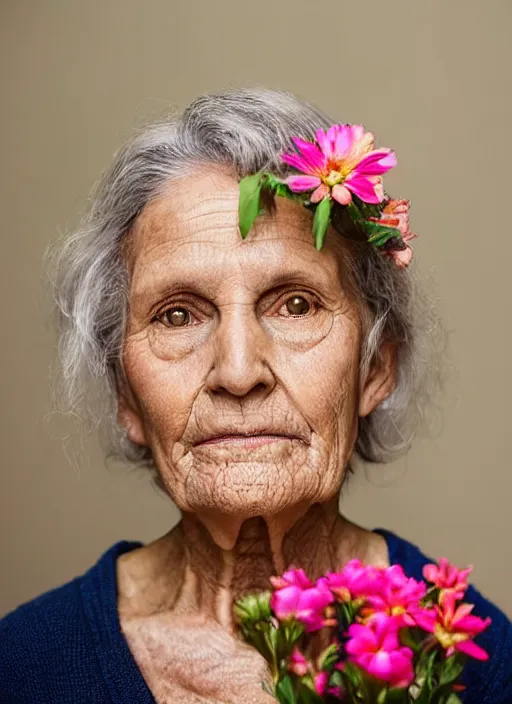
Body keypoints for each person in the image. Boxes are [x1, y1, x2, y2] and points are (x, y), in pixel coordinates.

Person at [0, 88, 510, 703]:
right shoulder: (23, 669)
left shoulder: (477, 665)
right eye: (178, 315)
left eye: (296, 304)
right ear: (125, 393)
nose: (239, 372)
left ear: (375, 367)